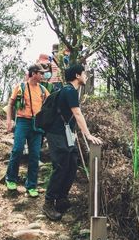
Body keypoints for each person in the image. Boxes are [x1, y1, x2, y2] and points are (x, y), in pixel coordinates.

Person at [43, 64, 101, 222]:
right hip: (56, 133)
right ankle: (49, 202)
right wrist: (87, 135)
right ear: (77, 75)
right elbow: (77, 113)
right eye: (84, 73)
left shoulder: (71, 91)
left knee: (72, 163)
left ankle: (61, 199)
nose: (86, 76)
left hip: (66, 134)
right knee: (61, 165)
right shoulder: (69, 91)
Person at [4, 64, 48, 198]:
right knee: (17, 150)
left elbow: (50, 104)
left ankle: (31, 186)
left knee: (35, 155)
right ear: (34, 73)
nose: (43, 76)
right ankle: (11, 179)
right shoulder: (20, 87)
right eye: (41, 73)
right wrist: (9, 121)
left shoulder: (43, 89)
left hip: (37, 124)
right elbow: (10, 104)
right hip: (23, 122)